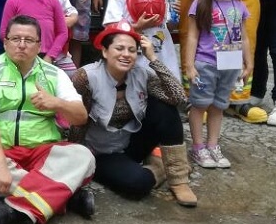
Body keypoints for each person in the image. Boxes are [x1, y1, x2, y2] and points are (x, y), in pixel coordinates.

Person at [0, 15, 95, 224]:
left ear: (39, 45)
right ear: (5, 42)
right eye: (15, 39)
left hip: (42, 152)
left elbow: (80, 117)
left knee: (83, 157)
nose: (21, 45)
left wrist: (57, 103)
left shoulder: (55, 74)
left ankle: (13, 208)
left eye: (29, 40)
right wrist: (0, 166)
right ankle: (65, 197)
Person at [69, 22, 197, 207]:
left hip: (132, 142)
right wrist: (76, 159)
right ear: (105, 51)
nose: (126, 54)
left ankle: (179, 178)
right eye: (119, 48)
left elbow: (178, 98)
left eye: (132, 50)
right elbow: (77, 120)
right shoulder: (86, 77)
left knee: (165, 106)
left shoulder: (143, 74)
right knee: (138, 185)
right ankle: (159, 167)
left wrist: (153, 58)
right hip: (102, 151)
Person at [183, 0, 252, 169]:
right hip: (206, 63)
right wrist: (189, 65)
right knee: (200, 104)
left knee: (219, 106)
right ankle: (198, 147)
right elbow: (191, 36)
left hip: (230, 64)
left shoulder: (239, 6)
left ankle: (213, 145)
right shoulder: (200, 4)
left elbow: (245, 37)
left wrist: (248, 62)